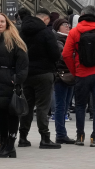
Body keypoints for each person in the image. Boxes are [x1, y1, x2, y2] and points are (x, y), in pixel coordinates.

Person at [62, 6, 95, 147]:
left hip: (82, 74)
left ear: (82, 15)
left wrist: (75, 70)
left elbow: (66, 54)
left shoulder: (74, 32)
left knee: (79, 106)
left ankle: (80, 137)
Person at [0, 13, 29, 158]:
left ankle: (10, 145)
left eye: (2, 21)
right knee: (1, 114)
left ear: (7, 23)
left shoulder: (15, 41)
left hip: (8, 82)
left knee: (11, 114)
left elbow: (23, 63)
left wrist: (15, 79)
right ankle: (3, 144)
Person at [17, 8, 62, 149]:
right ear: (46, 19)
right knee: (43, 106)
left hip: (26, 74)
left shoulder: (21, 32)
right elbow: (55, 54)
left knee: (27, 106)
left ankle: (23, 137)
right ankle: (44, 138)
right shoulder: (46, 32)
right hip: (44, 73)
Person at [51, 17, 76, 144]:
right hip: (61, 75)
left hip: (70, 75)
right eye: (64, 25)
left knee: (65, 105)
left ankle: (62, 133)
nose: (68, 26)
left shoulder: (70, 38)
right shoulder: (58, 39)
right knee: (61, 106)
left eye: (68, 24)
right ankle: (60, 133)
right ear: (57, 27)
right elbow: (62, 55)